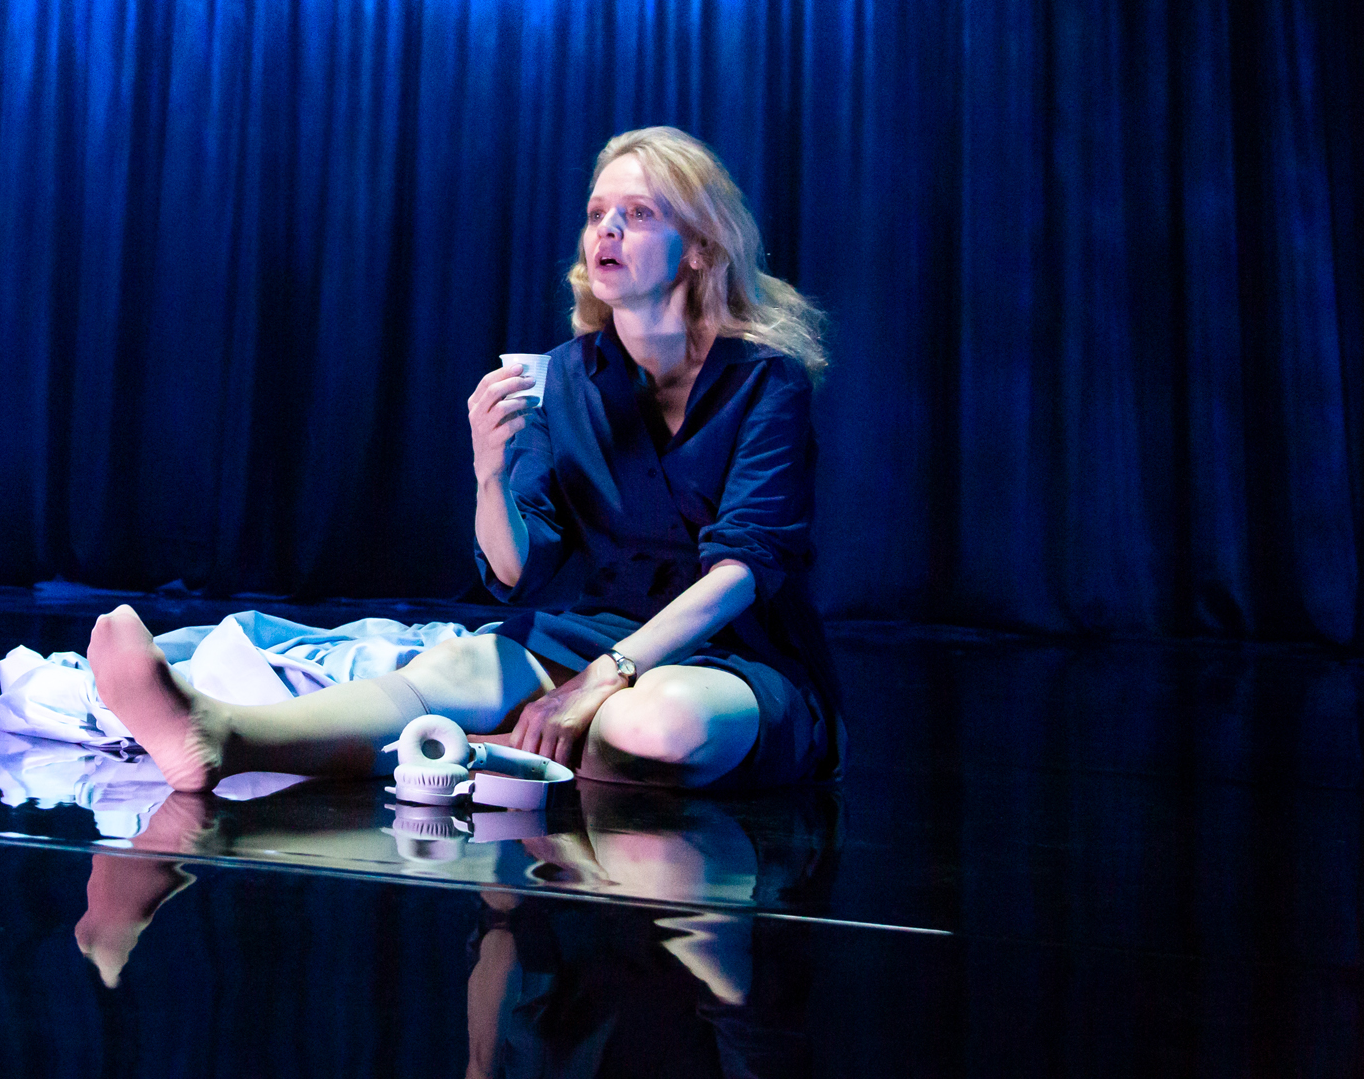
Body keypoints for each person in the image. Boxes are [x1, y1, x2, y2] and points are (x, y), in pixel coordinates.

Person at [87, 126, 841, 792]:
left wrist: (600, 681)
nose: (607, 230)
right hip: (596, 634)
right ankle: (221, 733)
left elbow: (741, 571)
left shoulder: (765, 381)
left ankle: (518, 746)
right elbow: (517, 573)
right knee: (464, 665)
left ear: (700, 248)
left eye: (638, 214)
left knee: (652, 723)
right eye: (596, 214)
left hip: (735, 653)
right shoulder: (561, 377)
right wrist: (489, 473)